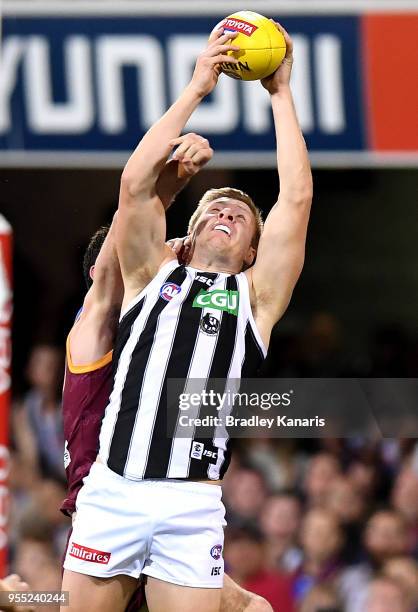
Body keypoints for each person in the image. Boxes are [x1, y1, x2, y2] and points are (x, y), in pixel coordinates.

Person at [63, 21, 312, 612]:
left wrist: (280, 93)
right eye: (213, 205)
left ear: (254, 250)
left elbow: (296, 199)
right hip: (113, 491)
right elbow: (134, 184)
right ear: (188, 230)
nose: (225, 210)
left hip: (190, 505)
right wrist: (197, 86)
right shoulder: (150, 274)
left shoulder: (255, 298)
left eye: (241, 215)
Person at [60, 136, 271, 612]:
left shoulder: (154, 323)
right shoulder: (93, 323)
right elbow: (130, 205)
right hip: (108, 497)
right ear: (100, 271)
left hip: (148, 501)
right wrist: (173, 181)